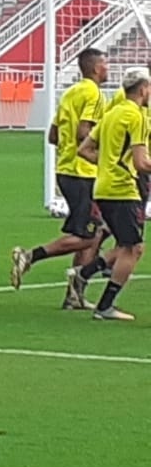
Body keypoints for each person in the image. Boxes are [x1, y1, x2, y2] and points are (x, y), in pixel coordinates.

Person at [10, 47, 108, 308]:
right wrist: (103, 152)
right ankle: (30, 256)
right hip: (83, 171)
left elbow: (53, 136)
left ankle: (75, 295)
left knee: (93, 230)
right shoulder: (94, 94)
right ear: (97, 68)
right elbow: (83, 132)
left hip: (65, 170)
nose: (107, 69)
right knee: (89, 235)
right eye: (105, 65)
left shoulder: (71, 93)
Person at [73, 66, 151, 320]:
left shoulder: (111, 113)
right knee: (134, 249)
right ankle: (105, 306)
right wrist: (121, 168)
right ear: (143, 89)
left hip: (103, 187)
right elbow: (142, 163)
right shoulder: (135, 117)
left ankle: (82, 275)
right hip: (123, 190)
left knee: (125, 245)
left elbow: (84, 149)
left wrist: (107, 164)